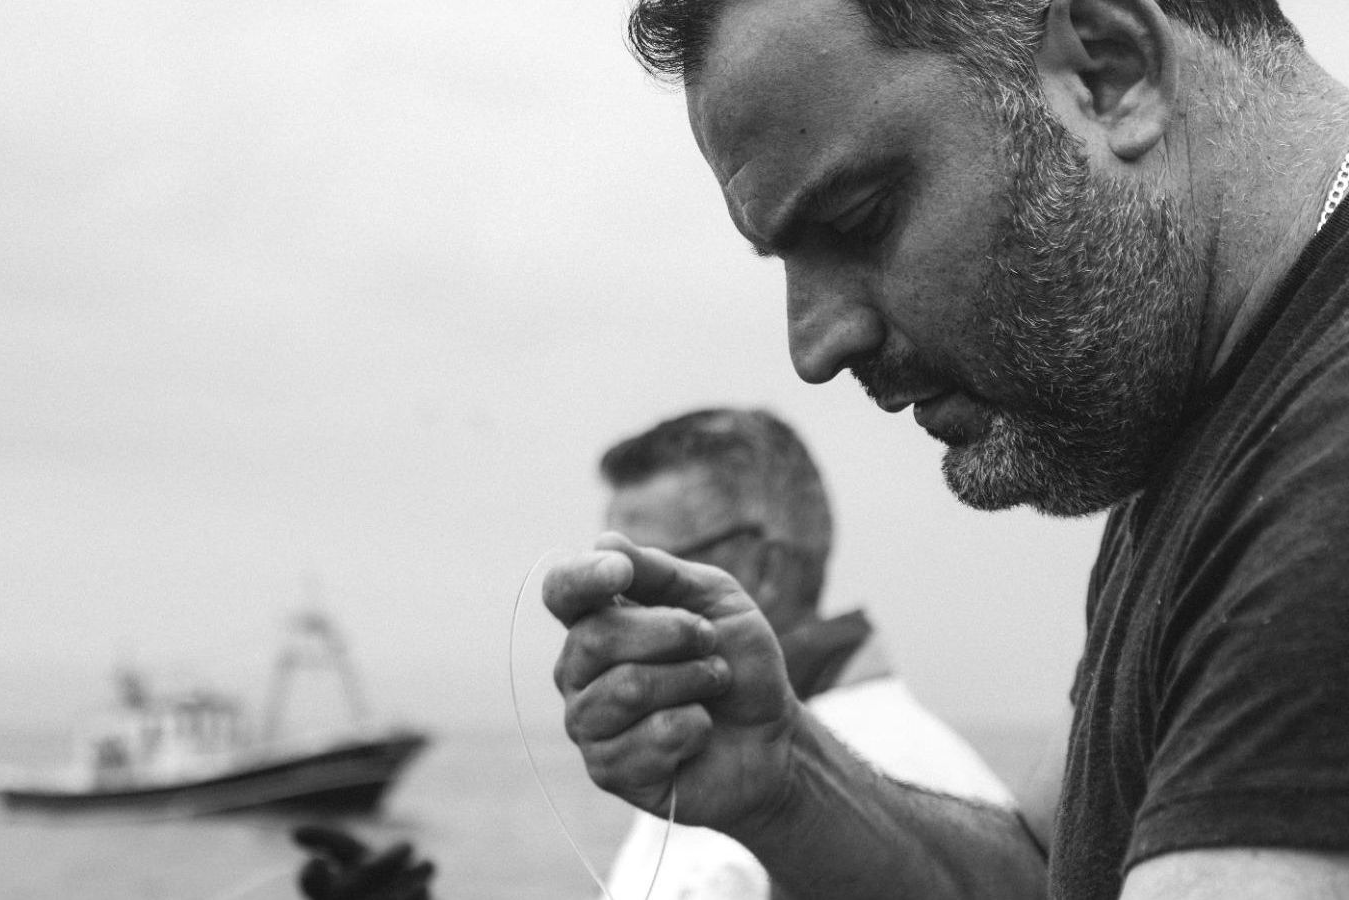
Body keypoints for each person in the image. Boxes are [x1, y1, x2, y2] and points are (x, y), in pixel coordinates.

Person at [543, 0, 1349, 898]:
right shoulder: (1226, 414)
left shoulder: (1323, 472)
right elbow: (1050, 874)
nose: (814, 347)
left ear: (1109, 72)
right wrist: (787, 783)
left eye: (859, 219)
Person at [595, 407, 1013, 899]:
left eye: (640, 574)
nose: (610, 608)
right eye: (605, 576)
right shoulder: (707, 745)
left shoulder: (877, 775)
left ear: (765, 570)